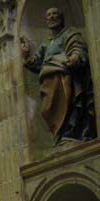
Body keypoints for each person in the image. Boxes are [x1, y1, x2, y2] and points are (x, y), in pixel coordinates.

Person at [21, 7, 96, 145]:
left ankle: (71, 132)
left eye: (55, 14)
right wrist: (25, 56)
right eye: (48, 15)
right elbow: (36, 63)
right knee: (47, 110)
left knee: (69, 103)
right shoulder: (46, 43)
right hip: (48, 83)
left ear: (62, 18)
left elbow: (77, 48)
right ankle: (59, 136)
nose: (51, 17)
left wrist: (75, 57)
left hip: (65, 77)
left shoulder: (70, 34)